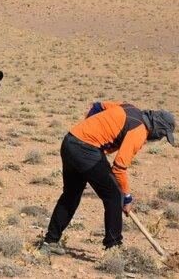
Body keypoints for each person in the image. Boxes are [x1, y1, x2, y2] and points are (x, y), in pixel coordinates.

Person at [40, 102, 176, 255]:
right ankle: (113, 248)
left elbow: (98, 106)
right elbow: (119, 167)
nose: (159, 139)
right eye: (162, 135)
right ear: (157, 128)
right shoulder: (139, 130)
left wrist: (89, 129)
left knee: (71, 194)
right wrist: (126, 196)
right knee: (114, 196)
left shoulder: (129, 108)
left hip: (70, 141)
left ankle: (50, 242)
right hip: (86, 150)